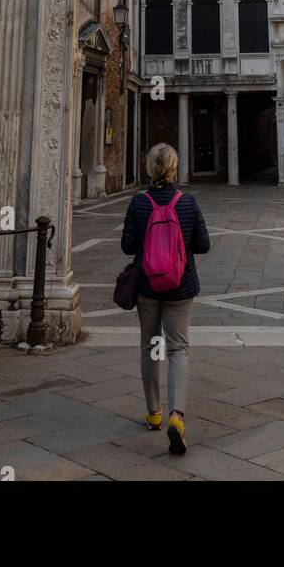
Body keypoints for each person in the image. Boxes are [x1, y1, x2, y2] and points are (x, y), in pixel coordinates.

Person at [121, 142, 210, 454]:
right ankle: (176, 415)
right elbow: (203, 245)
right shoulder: (188, 202)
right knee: (178, 350)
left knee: (150, 347)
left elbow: (127, 246)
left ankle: (154, 412)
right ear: (174, 169)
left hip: (148, 286)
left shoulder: (138, 203)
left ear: (150, 168)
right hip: (181, 287)